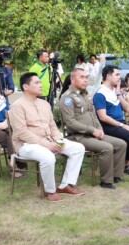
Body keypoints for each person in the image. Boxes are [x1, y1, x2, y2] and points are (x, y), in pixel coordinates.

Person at [8, 72, 86, 202]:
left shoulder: (44, 104)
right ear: (26, 87)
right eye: (36, 83)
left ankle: (66, 185)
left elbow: (53, 126)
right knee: (48, 157)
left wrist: (58, 140)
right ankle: (50, 191)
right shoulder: (17, 106)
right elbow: (22, 133)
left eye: (40, 82)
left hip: (49, 141)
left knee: (78, 148)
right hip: (26, 145)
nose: (40, 85)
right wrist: (46, 145)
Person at [59, 68, 127, 190]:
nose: (85, 80)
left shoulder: (86, 95)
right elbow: (70, 122)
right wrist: (92, 130)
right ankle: (106, 181)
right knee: (107, 147)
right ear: (73, 79)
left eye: (87, 77)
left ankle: (116, 175)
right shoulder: (67, 98)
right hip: (78, 136)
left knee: (121, 144)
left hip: (93, 134)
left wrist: (99, 129)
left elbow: (94, 115)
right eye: (82, 77)